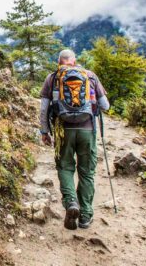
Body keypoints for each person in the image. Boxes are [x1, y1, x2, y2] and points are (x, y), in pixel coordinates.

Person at [40, 49, 110, 230]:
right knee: (86, 172)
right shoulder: (90, 76)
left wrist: (44, 132)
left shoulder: (52, 78)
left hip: (63, 130)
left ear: (59, 61)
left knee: (65, 166)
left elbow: (43, 110)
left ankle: (71, 202)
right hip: (87, 130)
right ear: (74, 61)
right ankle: (85, 216)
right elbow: (105, 106)